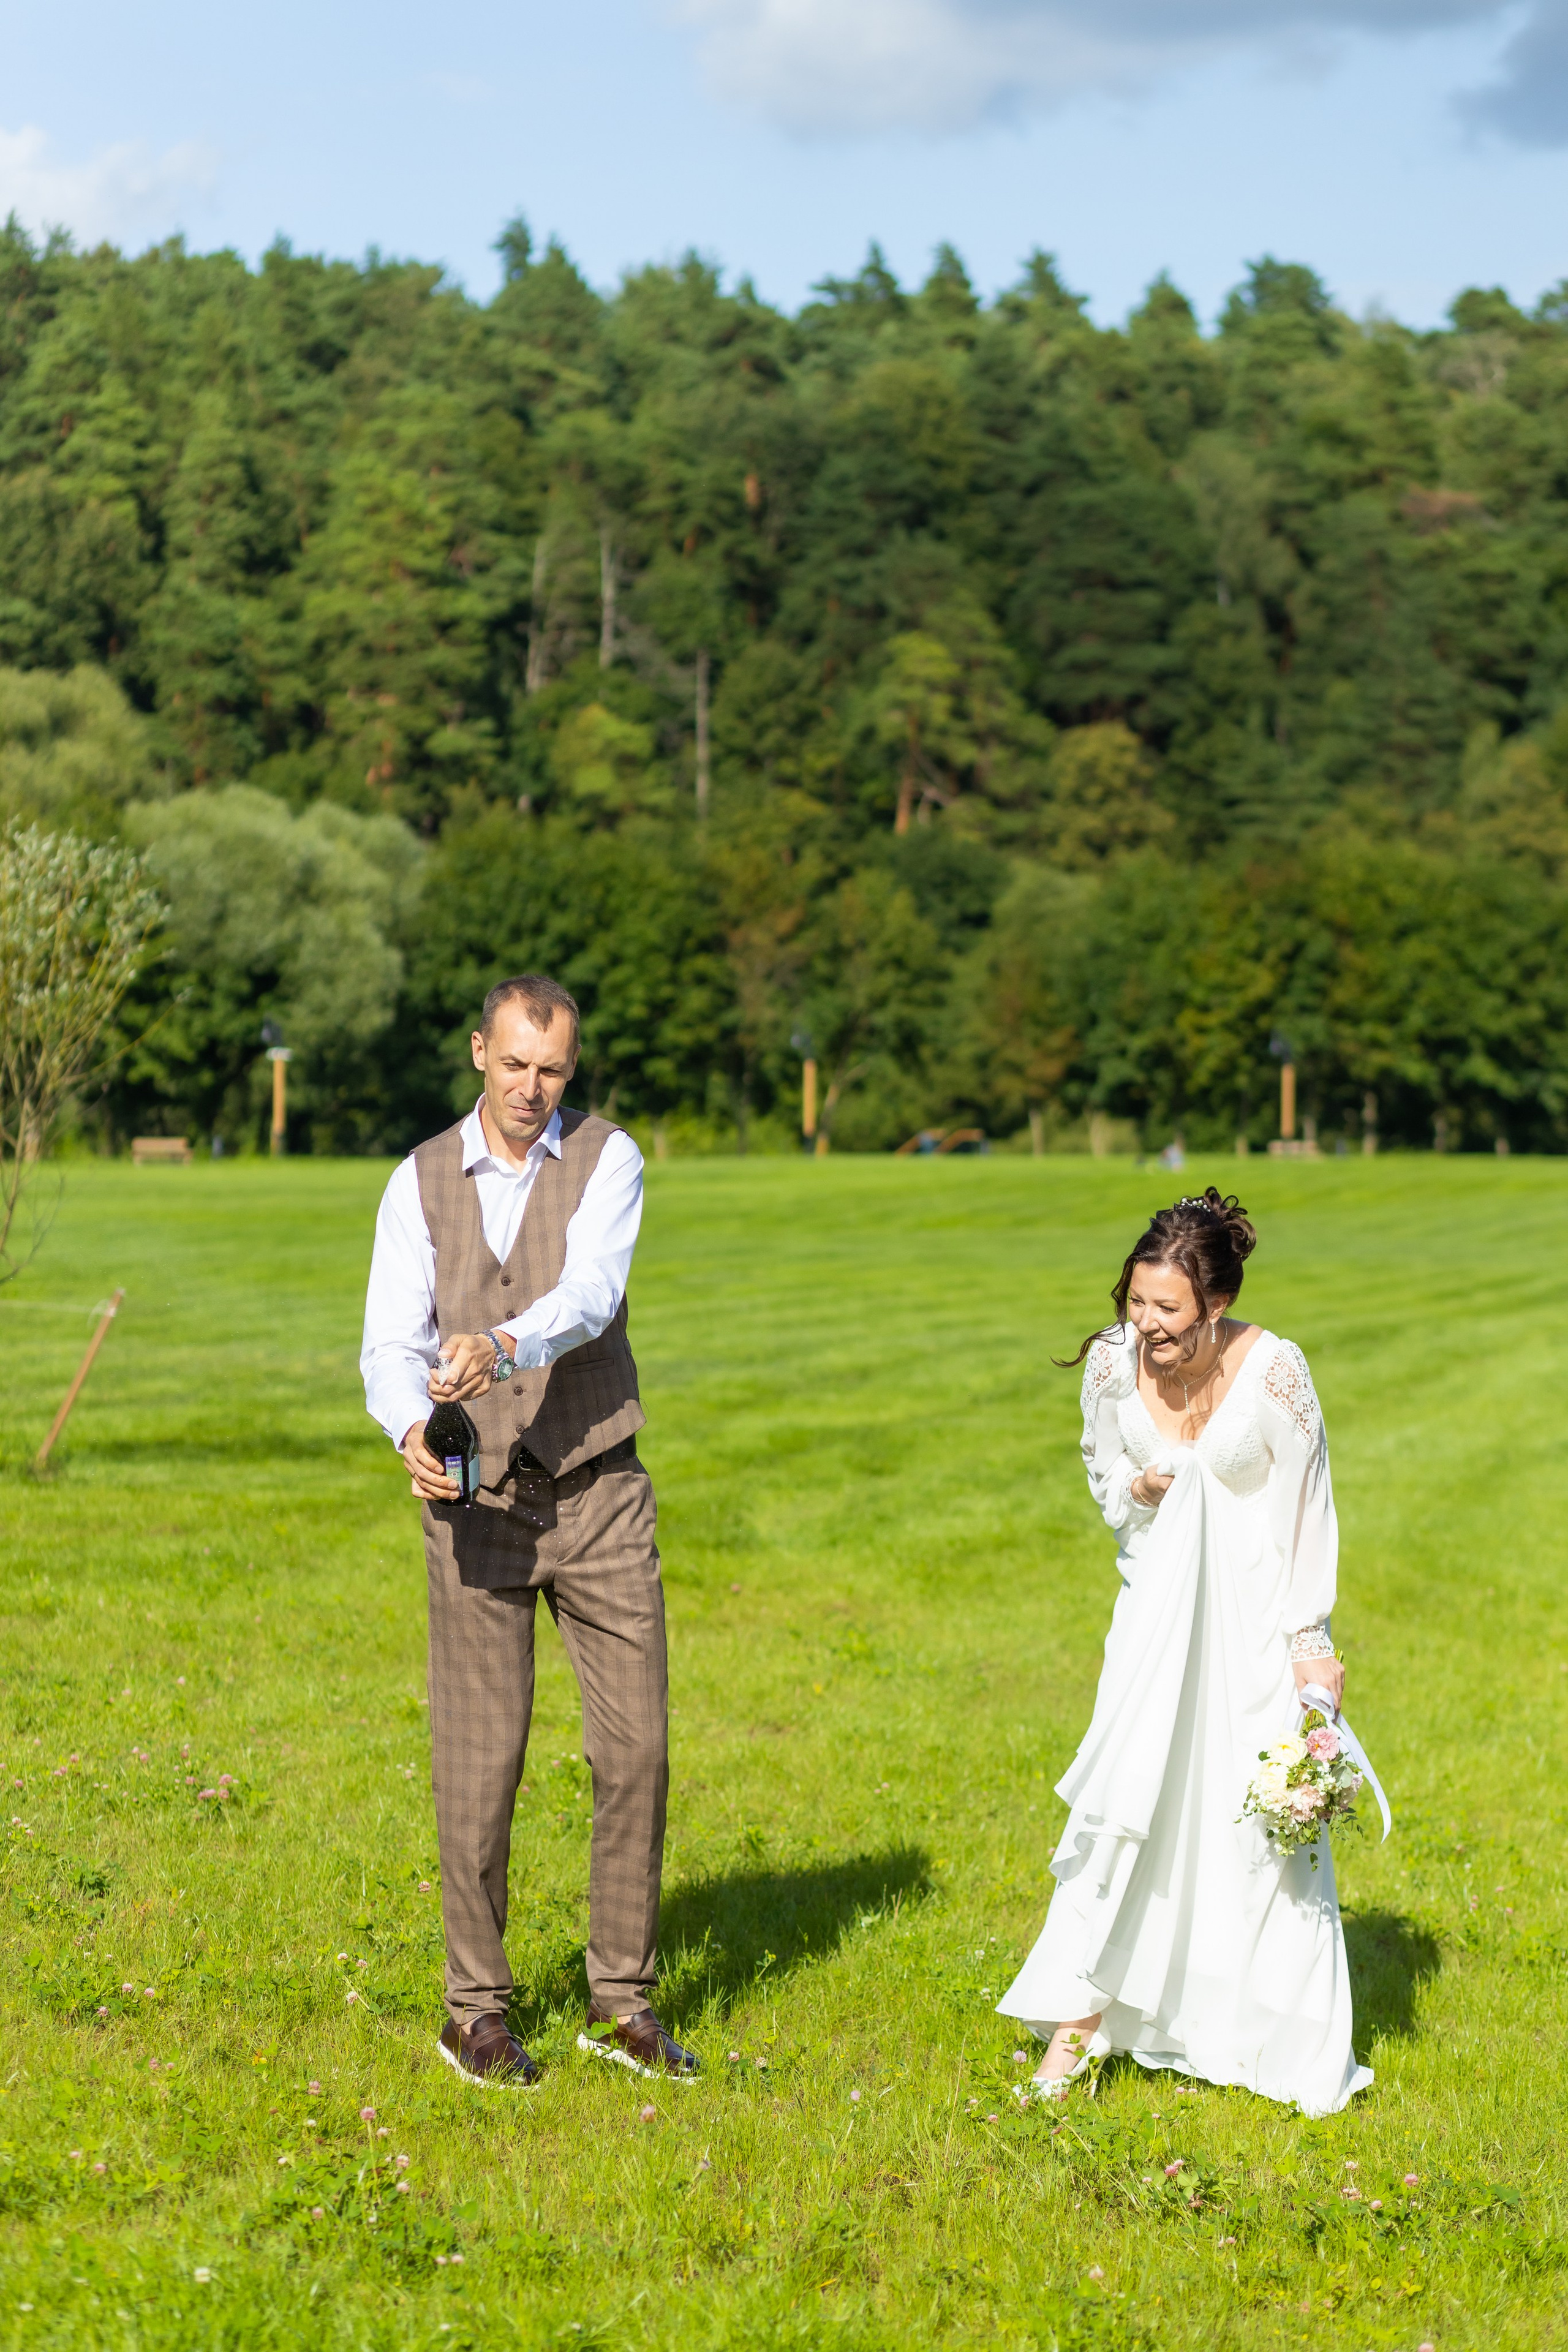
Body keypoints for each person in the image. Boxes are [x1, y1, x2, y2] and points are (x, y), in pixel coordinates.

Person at [360, 972, 697, 2089]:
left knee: (636, 1749)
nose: (531, 1089)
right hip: (477, 1503)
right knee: (479, 1761)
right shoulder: (416, 1184)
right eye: (513, 1065)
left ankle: (621, 2003)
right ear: (477, 1054)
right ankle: (475, 2012)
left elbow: (592, 1293)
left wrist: (500, 1346)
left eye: (553, 1070)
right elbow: (388, 1343)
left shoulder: (610, 1159)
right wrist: (413, 1425)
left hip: (599, 1489)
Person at [997, 1188, 1371, 2118]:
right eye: (1135, 1302)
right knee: (1128, 1804)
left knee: (1254, 1829)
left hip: (1252, 1631)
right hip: (1155, 1615)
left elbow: (1306, 1507)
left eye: (1167, 1309)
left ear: (1215, 1302)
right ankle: (1079, 2026)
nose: (1146, 1325)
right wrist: (1141, 1482)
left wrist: (1309, 1646)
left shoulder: (1276, 1370)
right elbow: (1101, 1470)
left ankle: (1261, 2030)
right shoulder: (1114, 1368)